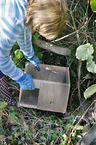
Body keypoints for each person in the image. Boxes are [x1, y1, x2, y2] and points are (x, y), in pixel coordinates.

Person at [0, 0, 67, 104]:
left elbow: (24, 30)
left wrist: (29, 54)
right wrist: (20, 77)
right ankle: (5, 99)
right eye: (38, 30)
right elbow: (1, 60)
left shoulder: (27, 7)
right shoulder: (12, 22)